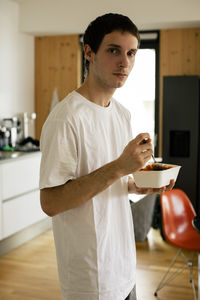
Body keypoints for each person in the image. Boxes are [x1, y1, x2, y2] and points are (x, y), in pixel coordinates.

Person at [39, 13, 174, 300]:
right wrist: (119, 167)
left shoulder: (121, 114)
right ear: (89, 52)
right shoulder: (66, 119)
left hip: (124, 265)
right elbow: (50, 202)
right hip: (91, 277)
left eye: (131, 53)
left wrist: (139, 185)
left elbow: (115, 183)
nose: (124, 62)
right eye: (114, 51)